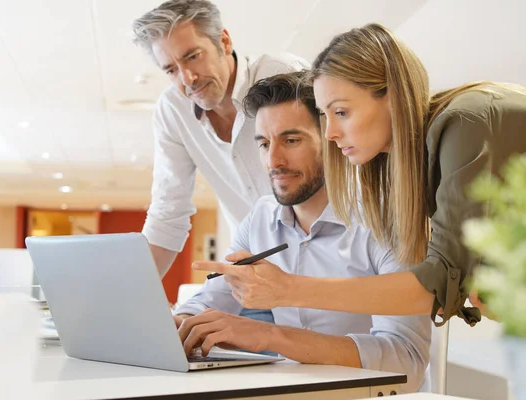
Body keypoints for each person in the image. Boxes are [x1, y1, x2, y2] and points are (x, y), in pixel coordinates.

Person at [191, 23, 526, 327]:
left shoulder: (463, 124)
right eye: (325, 116)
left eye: (341, 112)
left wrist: (288, 289)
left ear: (392, 96)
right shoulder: (411, 169)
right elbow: (451, 287)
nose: (330, 133)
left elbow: (434, 288)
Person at [175, 72, 431, 393]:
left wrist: (271, 336)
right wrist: (181, 321)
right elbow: (216, 296)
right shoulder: (260, 220)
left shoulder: (388, 220)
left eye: (291, 140)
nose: (274, 160)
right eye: (265, 144)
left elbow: (406, 361)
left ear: (332, 138)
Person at [132, 0, 308, 278]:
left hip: (320, 260)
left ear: (224, 42)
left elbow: (334, 171)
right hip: (251, 268)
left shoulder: (282, 75)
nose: (187, 78)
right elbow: (168, 214)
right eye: (171, 70)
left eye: (193, 56)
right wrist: (131, 296)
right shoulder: (173, 110)